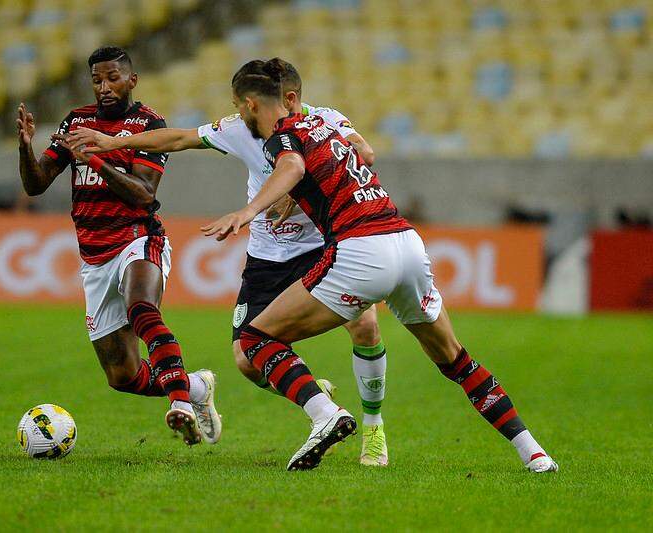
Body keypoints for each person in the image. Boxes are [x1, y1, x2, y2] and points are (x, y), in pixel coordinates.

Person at [199, 60, 559, 473]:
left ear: (255, 104)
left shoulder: (284, 136)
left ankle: (325, 413)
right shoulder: (331, 126)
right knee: (456, 360)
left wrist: (248, 211)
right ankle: (534, 453)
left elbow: (292, 166)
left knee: (256, 339)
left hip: (360, 250)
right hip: (405, 241)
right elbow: (364, 152)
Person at [59, 58, 390, 466]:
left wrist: (300, 181)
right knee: (247, 360)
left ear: (287, 98)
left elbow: (365, 151)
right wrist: (111, 144)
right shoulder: (241, 127)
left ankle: (373, 430)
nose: (246, 111)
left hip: (324, 243)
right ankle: (313, 396)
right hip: (268, 254)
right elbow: (179, 139)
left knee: (366, 324)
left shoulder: (326, 120)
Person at [16, 46, 221, 446]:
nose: (104, 87)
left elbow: (144, 194)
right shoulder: (77, 120)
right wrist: (25, 147)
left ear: (132, 80)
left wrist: (94, 159)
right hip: (94, 256)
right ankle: (196, 388)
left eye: (112, 78)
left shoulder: (148, 125)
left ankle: (179, 403)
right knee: (122, 376)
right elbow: (36, 183)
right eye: (97, 80)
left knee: (141, 305)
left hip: (138, 238)